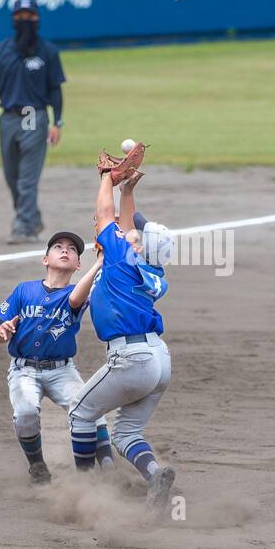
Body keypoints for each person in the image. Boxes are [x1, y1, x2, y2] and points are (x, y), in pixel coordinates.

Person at [67, 170, 177, 508]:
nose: (131, 229)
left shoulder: (119, 258)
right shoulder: (151, 269)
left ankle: (86, 489)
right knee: (127, 433)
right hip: (159, 360)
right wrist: (127, 191)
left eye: (138, 233)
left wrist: (106, 178)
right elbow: (125, 223)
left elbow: (104, 214)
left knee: (80, 413)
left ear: (139, 246)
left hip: (133, 358)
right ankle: (155, 475)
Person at [0, 231, 113, 483]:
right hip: (24, 370)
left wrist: (100, 263)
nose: (65, 250)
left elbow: (76, 299)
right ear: (45, 259)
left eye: (72, 249)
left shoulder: (76, 293)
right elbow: (1, 330)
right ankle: (37, 466)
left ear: (78, 264)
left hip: (62, 371)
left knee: (91, 410)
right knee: (25, 413)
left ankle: (109, 467)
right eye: (58, 246)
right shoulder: (23, 290)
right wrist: (3, 331)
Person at [0, 0, 67, 244]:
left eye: (29, 16)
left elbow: (55, 89)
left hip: (35, 118)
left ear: (37, 18)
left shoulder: (48, 51)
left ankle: (23, 228)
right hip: (8, 118)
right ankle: (32, 217)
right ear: (13, 19)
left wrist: (57, 122)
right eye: (20, 16)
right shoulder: (0, 50)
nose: (25, 20)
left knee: (27, 179)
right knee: (12, 177)